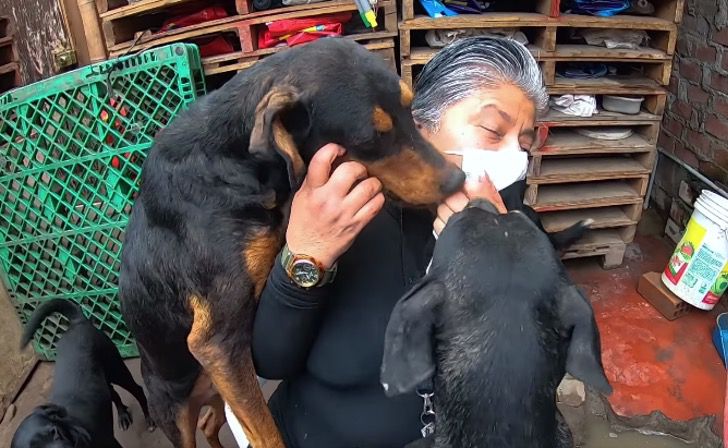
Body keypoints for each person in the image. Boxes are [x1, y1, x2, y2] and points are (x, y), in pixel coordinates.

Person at [251, 36, 548, 448]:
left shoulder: (515, 230)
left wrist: (492, 263)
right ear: (422, 126)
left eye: (526, 143)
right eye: (493, 131)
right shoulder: (339, 214)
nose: (513, 155)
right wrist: (308, 253)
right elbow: (270, 360)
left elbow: (530, 372)